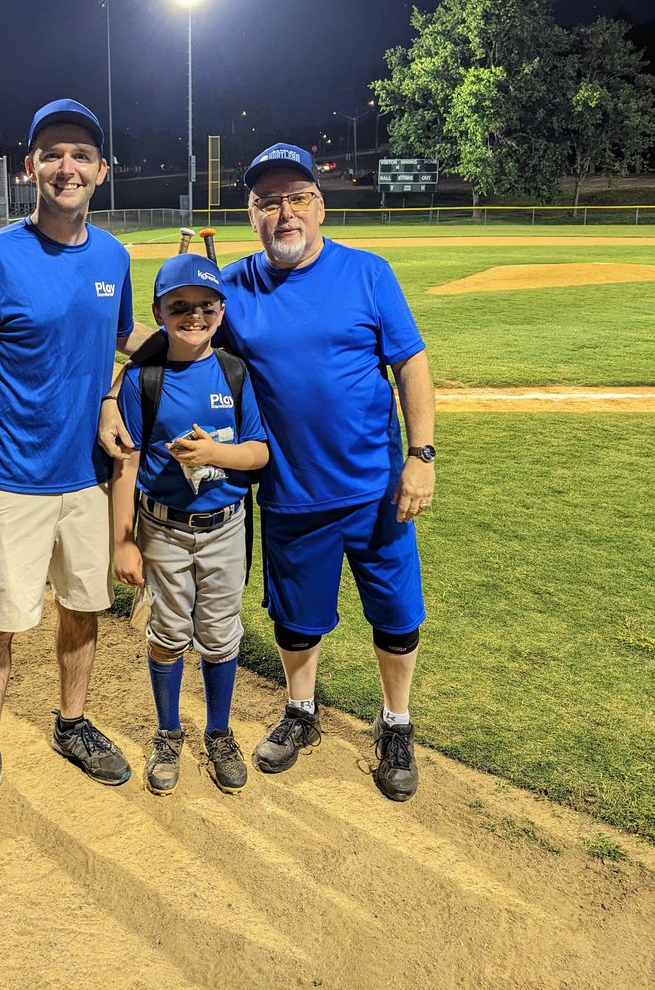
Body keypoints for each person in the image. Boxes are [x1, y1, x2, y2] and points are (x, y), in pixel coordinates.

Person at [100, 142, 435, 802]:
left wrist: (420, 457)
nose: (285, 213)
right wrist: (115, 393)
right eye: (268, 202)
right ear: (251, 215)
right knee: (296, 621)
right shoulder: (237, 289)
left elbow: (412, 365)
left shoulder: (369, 272)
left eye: (297, 198)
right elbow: (175, 344)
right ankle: (300, 712)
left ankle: (396, 723)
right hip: (288, 493)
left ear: (320, 205)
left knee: (395, 617)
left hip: (375, 490)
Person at [0, 98, 150, 844]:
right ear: (30, 168)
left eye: (81, 155)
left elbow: (123, 342)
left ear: (101, 172)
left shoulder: (114, 257)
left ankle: (71, 722)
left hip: (87, 480)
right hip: (10, 481)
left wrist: (201, 328)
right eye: (52, 153)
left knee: (83, 610)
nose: (67, 167)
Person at [111, 254, 268, 795]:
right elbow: (127, 464)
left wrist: (212, 455)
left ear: (221, 312)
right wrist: (123, 542)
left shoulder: (234, 372)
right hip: (162, 529)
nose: (193, 316)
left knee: (220, 634)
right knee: (170, 632)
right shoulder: (143, 379)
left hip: (225, 526)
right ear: (159, 313)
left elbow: (259, 453)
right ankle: (168, 731)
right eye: (179, 307)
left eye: (205, 306)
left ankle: (219, 731)